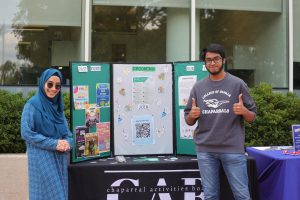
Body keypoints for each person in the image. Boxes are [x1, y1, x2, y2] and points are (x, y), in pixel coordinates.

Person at [184, 43, 256, 200]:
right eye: (208, 60)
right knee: (210, 196)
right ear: (205, 63)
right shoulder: (198, 87)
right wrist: (192, 115)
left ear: (223, 60)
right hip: (206, 151)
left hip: (232, 150)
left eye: (216, 59)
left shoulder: (237, 84)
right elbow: (189, 120)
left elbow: (253, 117)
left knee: (242, 195)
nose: (212, 63)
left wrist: (243, 111)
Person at [21, 68, 73, 200]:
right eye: (50, 84)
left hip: (59, 160)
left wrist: (68, 143)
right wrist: (55, 143)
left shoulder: (58, 108)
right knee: (47, 195)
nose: (53, 89)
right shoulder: (32, 105)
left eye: (57, 86)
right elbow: (26, 133)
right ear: (43, 83)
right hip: (41, 159)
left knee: (60, 194)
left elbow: (67, 134)